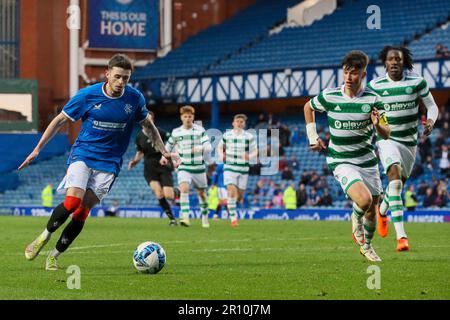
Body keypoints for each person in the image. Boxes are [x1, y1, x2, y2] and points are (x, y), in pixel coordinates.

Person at [19, 54, 170, 270]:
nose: (121, 82)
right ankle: (44, 236)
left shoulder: (134, 98)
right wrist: (37, 149)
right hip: (84, 154)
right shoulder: (87, 95)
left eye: (125, 78)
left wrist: (164, 151)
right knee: (72, 202)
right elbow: (60, 120)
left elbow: (148, 126)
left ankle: (54, 255)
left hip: (110, 162)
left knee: (83, 211)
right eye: (117, 77)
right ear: (107, 74)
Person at [304, 50, 390, 262]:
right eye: (346, 72)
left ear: (363, 74)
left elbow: (387, 133)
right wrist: (313, 136)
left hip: (367, 160)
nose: (349, 77)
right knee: (365, 200)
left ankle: (367, 246)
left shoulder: (374, 99)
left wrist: (378, 124)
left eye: (354, 73)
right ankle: (355, 218)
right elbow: (308, 106)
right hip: (341, 159)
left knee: (372, 210)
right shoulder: (330, 96)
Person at [368, 46, 439, 252]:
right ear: (385, 62)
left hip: (409, 142)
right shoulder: (375, 86)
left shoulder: (417, 82)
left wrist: (431, 121)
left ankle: (382, 212)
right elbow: (367, 110)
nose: (394, 62)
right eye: (390, 59)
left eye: (398, 59)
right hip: (387, 140)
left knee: (396, 186)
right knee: (395, 177)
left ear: (403, 61)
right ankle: (401, 237)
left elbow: (432, 106)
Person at [161, 105, 211, 227]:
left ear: (193, 117)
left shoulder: (200, 130)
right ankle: (185, 217)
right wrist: (163, 157)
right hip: (184, 165)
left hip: (198, 167)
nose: (188, 118)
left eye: (190, 116)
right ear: (181, 117)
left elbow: (209, 147)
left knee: (202, 194)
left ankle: (204, 218)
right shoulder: (176, 132)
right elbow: (168, 146)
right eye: (185, 116)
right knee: (184, 189)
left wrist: (199, 148)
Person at [128, 111, 177, 226]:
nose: (147, 122)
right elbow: (140, 152)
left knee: (169, 195)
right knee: (159, 193)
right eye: (145, 120)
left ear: (153, 121)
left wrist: (170, 155)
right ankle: (172, 219)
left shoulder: (160, 132)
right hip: (149, 168)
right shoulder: (139, 137)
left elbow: (173, 141)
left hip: (164, 165)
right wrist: (134, 161)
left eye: (150, 120)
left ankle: (179, 191)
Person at [217, 114, 257, 227]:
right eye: (237, 121)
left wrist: (249, 156)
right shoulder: (227, 135)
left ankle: (237, 203)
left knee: (239, 196)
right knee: (231, 190)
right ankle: (233, 218)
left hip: (243, 168)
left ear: (244, 124)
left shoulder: (249, 136)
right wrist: (221, 155)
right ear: (233, 123)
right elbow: (220, 147)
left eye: (241, 121)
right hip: (229, 167)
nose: (239, 123)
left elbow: (255, 151)